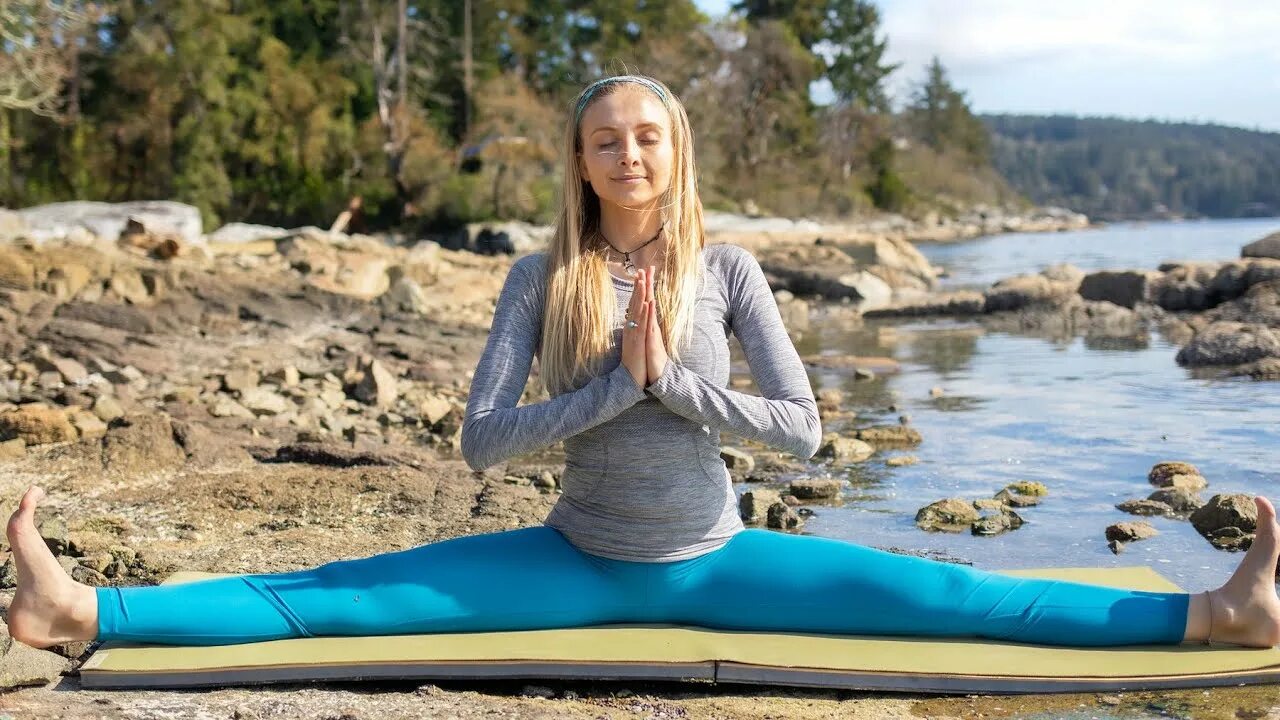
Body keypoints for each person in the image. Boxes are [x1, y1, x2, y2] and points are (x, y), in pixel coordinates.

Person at [6, 74, 1280, 652]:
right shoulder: (531, 278)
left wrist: (672, 380)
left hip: (722, 564)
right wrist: (616, 380)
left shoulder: (728, 274)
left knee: (958, 603)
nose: (627, 154)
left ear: (676, 155)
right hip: (565, 565)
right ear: (579, 161)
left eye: (648, 136)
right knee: (325, 592)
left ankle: (1213, 615)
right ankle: (79, 612)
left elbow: (803, 435)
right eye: (605, 138)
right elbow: (480, 444)